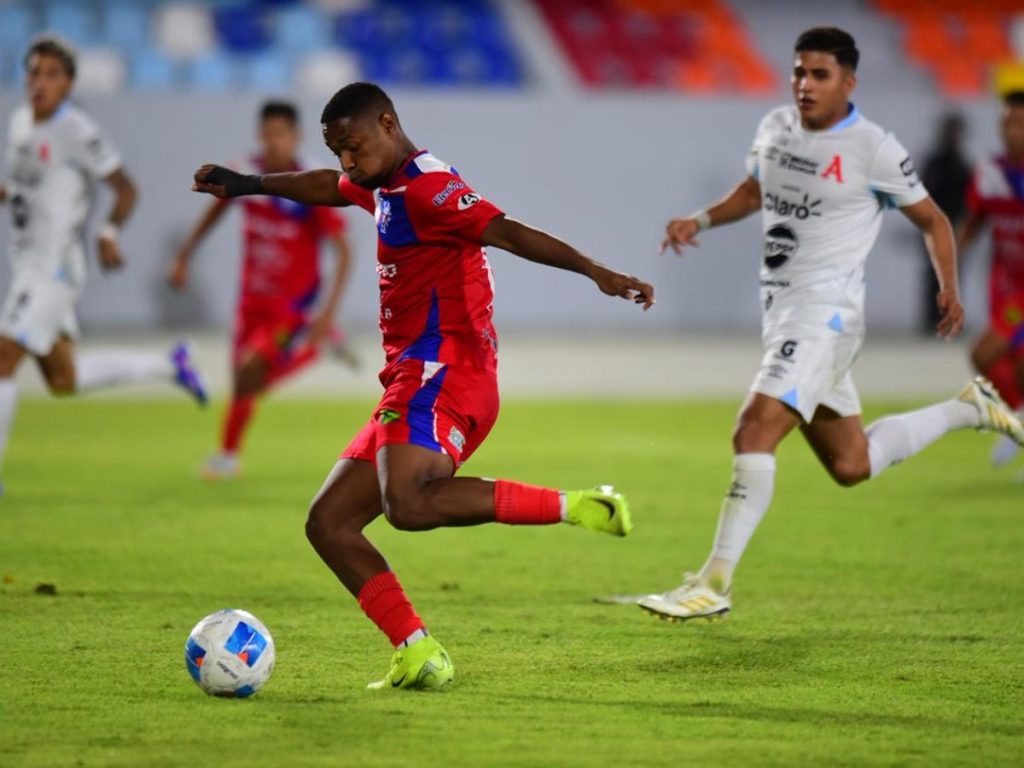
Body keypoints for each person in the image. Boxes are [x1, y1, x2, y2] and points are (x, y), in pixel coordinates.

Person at [191, 82, 655, 690]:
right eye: (338, 151)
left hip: (445, 370)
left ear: (388, 124)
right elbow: (327, 187)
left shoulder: (428, 188)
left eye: (353, 147)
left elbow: (507, 231)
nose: (346, 162)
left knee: (407, 505)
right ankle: (417, 652)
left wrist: (596, 271)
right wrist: (249, 185)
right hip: (416, 376)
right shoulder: (382, 183)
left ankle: (576, 505)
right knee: (329, 523)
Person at [637, 28, 1024, 622]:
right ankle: (968, 409)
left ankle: (712, 583)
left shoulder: (873, 148)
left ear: (848, 82)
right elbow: (754, 191)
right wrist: (701, 220)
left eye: (820, 75)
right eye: (799, 72)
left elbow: (934, 220)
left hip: (825, 316)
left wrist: (948, 285)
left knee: (753, 431)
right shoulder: (776, 127)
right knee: (851, 464)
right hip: (784, 312)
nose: (805, 84)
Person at [0, 36, 206, 495]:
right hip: (26, 262)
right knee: (63, 379)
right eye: (34, 73)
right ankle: (170, 366)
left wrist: (108, 232)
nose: (40, 82)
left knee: (3, 355)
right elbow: (21, 186)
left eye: (52, 74)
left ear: (69, 83)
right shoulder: (19, 124)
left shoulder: (77, 130)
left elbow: (125, 188)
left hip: (53, 268)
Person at [169, 101, 356, 480]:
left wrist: (327, 312)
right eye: (268, 134)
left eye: (281, 134)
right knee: (243, 382)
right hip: (251, 300)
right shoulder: (245, 172)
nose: (274, 142)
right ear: (259, 135)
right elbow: (215, 211)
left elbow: (344, 250)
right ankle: (230, 454)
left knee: (250, 372)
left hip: (292, 305)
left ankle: (226, 456)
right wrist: (184, 255)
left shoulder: (310, 183)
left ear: (296, 137)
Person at [958, 92, 1024, 471]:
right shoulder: (990, 173)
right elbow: (974, 222)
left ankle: (1015, 424)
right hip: (1006, 287)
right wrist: (950, 255)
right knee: (993, 361)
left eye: (1019, 124)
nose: (1011, 132)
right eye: (1006, 123)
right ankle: (1017, 421)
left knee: (991, 354)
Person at [920, 113, 971, 334]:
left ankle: (951, 318)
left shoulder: (963, 167)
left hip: (954, 229)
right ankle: (931, 319)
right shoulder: (934, 164)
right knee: (932, 275)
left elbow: (969, 204)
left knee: (953, 276)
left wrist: (963, 230)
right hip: (932, 229)